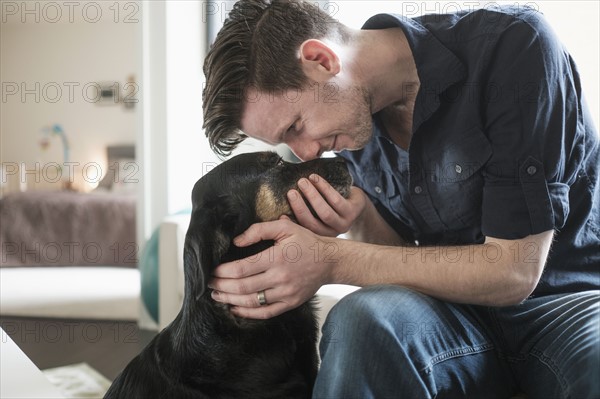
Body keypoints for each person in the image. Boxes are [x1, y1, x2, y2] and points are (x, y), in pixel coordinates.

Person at [202, 0, 600, 397]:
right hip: (454, 316)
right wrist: (360, 218)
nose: (305, 153)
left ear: (321, 60)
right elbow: (403, 266)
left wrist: (329, 260)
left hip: (568, 305)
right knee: (360, 320)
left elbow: (514, 272)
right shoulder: (350, 125)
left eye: (295, 126)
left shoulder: (514, 46)